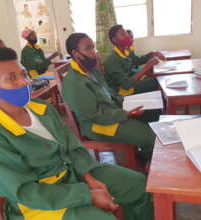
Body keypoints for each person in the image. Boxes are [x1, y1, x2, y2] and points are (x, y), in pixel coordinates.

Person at [0, 47, 154, 220]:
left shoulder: (43, 109)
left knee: (138, 185)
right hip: (39, 202)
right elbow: (26, 192)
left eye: (24, 74)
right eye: (11, 78)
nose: (24, 82)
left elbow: (72, 145)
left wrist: (89, 179)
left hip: (73, 173)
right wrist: (87, 195)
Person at [62, 33, 157, 164]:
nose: (94, 52)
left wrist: (125, 102)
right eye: (88, 48)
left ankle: (144, 155)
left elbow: (109, 93)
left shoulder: (91, 71)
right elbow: (94, 116)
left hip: (113, 110)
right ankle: (148, 164)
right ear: (75, 53)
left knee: (154, 111)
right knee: (150, 137)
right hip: (97, 124)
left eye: (93, 47)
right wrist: (125, 113)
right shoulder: (74, 82)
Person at [104, 24, 167, 96]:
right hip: (123, 92)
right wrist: (147, 66)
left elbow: (137, 60)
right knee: (157, 82)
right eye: (123, 34)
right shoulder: (112, 61)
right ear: (115, 40)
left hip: (131, 82)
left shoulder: (126, 51)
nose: (127, 36)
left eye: (126, 33)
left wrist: (152, 54)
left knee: (157, 77)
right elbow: (126, 85)